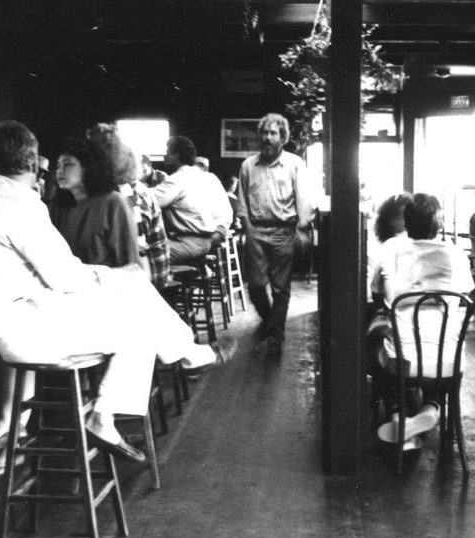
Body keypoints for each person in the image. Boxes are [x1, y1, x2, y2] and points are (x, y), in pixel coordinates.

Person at [0, 121, 230, 467]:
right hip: (30, 330)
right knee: (137, 314)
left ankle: (21, 427)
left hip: (5, 327)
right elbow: (65, 277)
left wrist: (113, 278)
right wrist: (111, 275)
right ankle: (110, 410)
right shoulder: (22, 205)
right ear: (31, 161)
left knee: (132, 288)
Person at [369, 193, 475, 449]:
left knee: (374, 343)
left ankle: (399, 414)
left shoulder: (391, 249)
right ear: (438, 225)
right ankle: (431, 407)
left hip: (402, 361)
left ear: (407, 222)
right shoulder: (456, 254)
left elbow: (376, 293)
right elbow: (467, 292)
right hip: (447, 360)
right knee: (438, 348)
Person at [236, 113, 313, 357]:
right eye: (264, 133)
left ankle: (275, 337)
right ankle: (271, 321)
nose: (267, 137)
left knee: (281, 289)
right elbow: (242, 205)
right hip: (256, 231)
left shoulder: (294, 164)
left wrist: (302, 230)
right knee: (256, 286)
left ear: (283, 138)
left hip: (283, 231)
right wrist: (249, 233)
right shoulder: (248, 166)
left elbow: (302, 199)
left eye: (273, 133)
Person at [86, 124, 173, 292]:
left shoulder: (125, 196)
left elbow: (132, 259)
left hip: (148, 281)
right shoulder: (126, 189)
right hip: (146, 272)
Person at [48, 136, 140, 269]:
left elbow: (130, 265)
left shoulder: (114, 203)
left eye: (67, 164)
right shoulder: (58, 206)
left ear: (87, 167)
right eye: (58, 166)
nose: (60, 171)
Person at [152, 136, 233, 265]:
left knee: (144, 255)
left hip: (188, 244)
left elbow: (148, 201)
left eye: (167, 152)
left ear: (177, 155)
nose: (164, 156)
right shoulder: (210, 177)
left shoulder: (178, 179)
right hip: (210, 240)